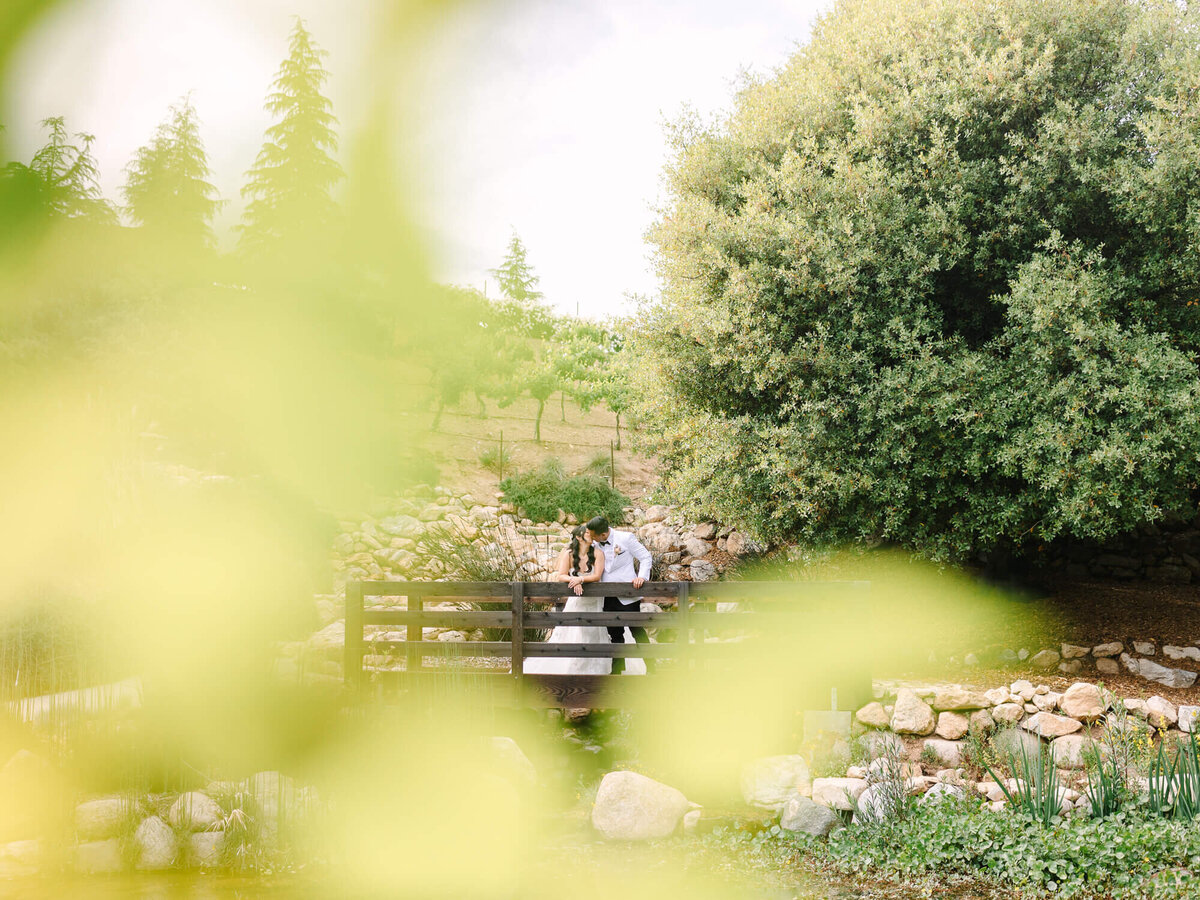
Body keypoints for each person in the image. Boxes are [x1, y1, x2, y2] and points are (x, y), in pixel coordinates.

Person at [522, 525, 611, 675]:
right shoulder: (569, 554)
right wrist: (574, 580)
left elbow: (596, 576)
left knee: (593, 632)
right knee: (574, 630)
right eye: (587, 533)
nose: (590, 535)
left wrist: (581, 580)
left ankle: (594, 669)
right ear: (578, 537)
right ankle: (572, 666)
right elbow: (561, 575)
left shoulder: (598, 553)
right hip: (576, 600)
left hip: (594, 600)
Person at [586, 515, 652, 675]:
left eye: (593, 535)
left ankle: (652, 667)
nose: (590, 538)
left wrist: (641, 577)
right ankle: (617, 670)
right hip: (607, 594)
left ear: (603, 535)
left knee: (637, 631)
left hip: (628, 593)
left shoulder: (626, 538)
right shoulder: (594, 543)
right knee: (614, 634)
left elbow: (645, 557)